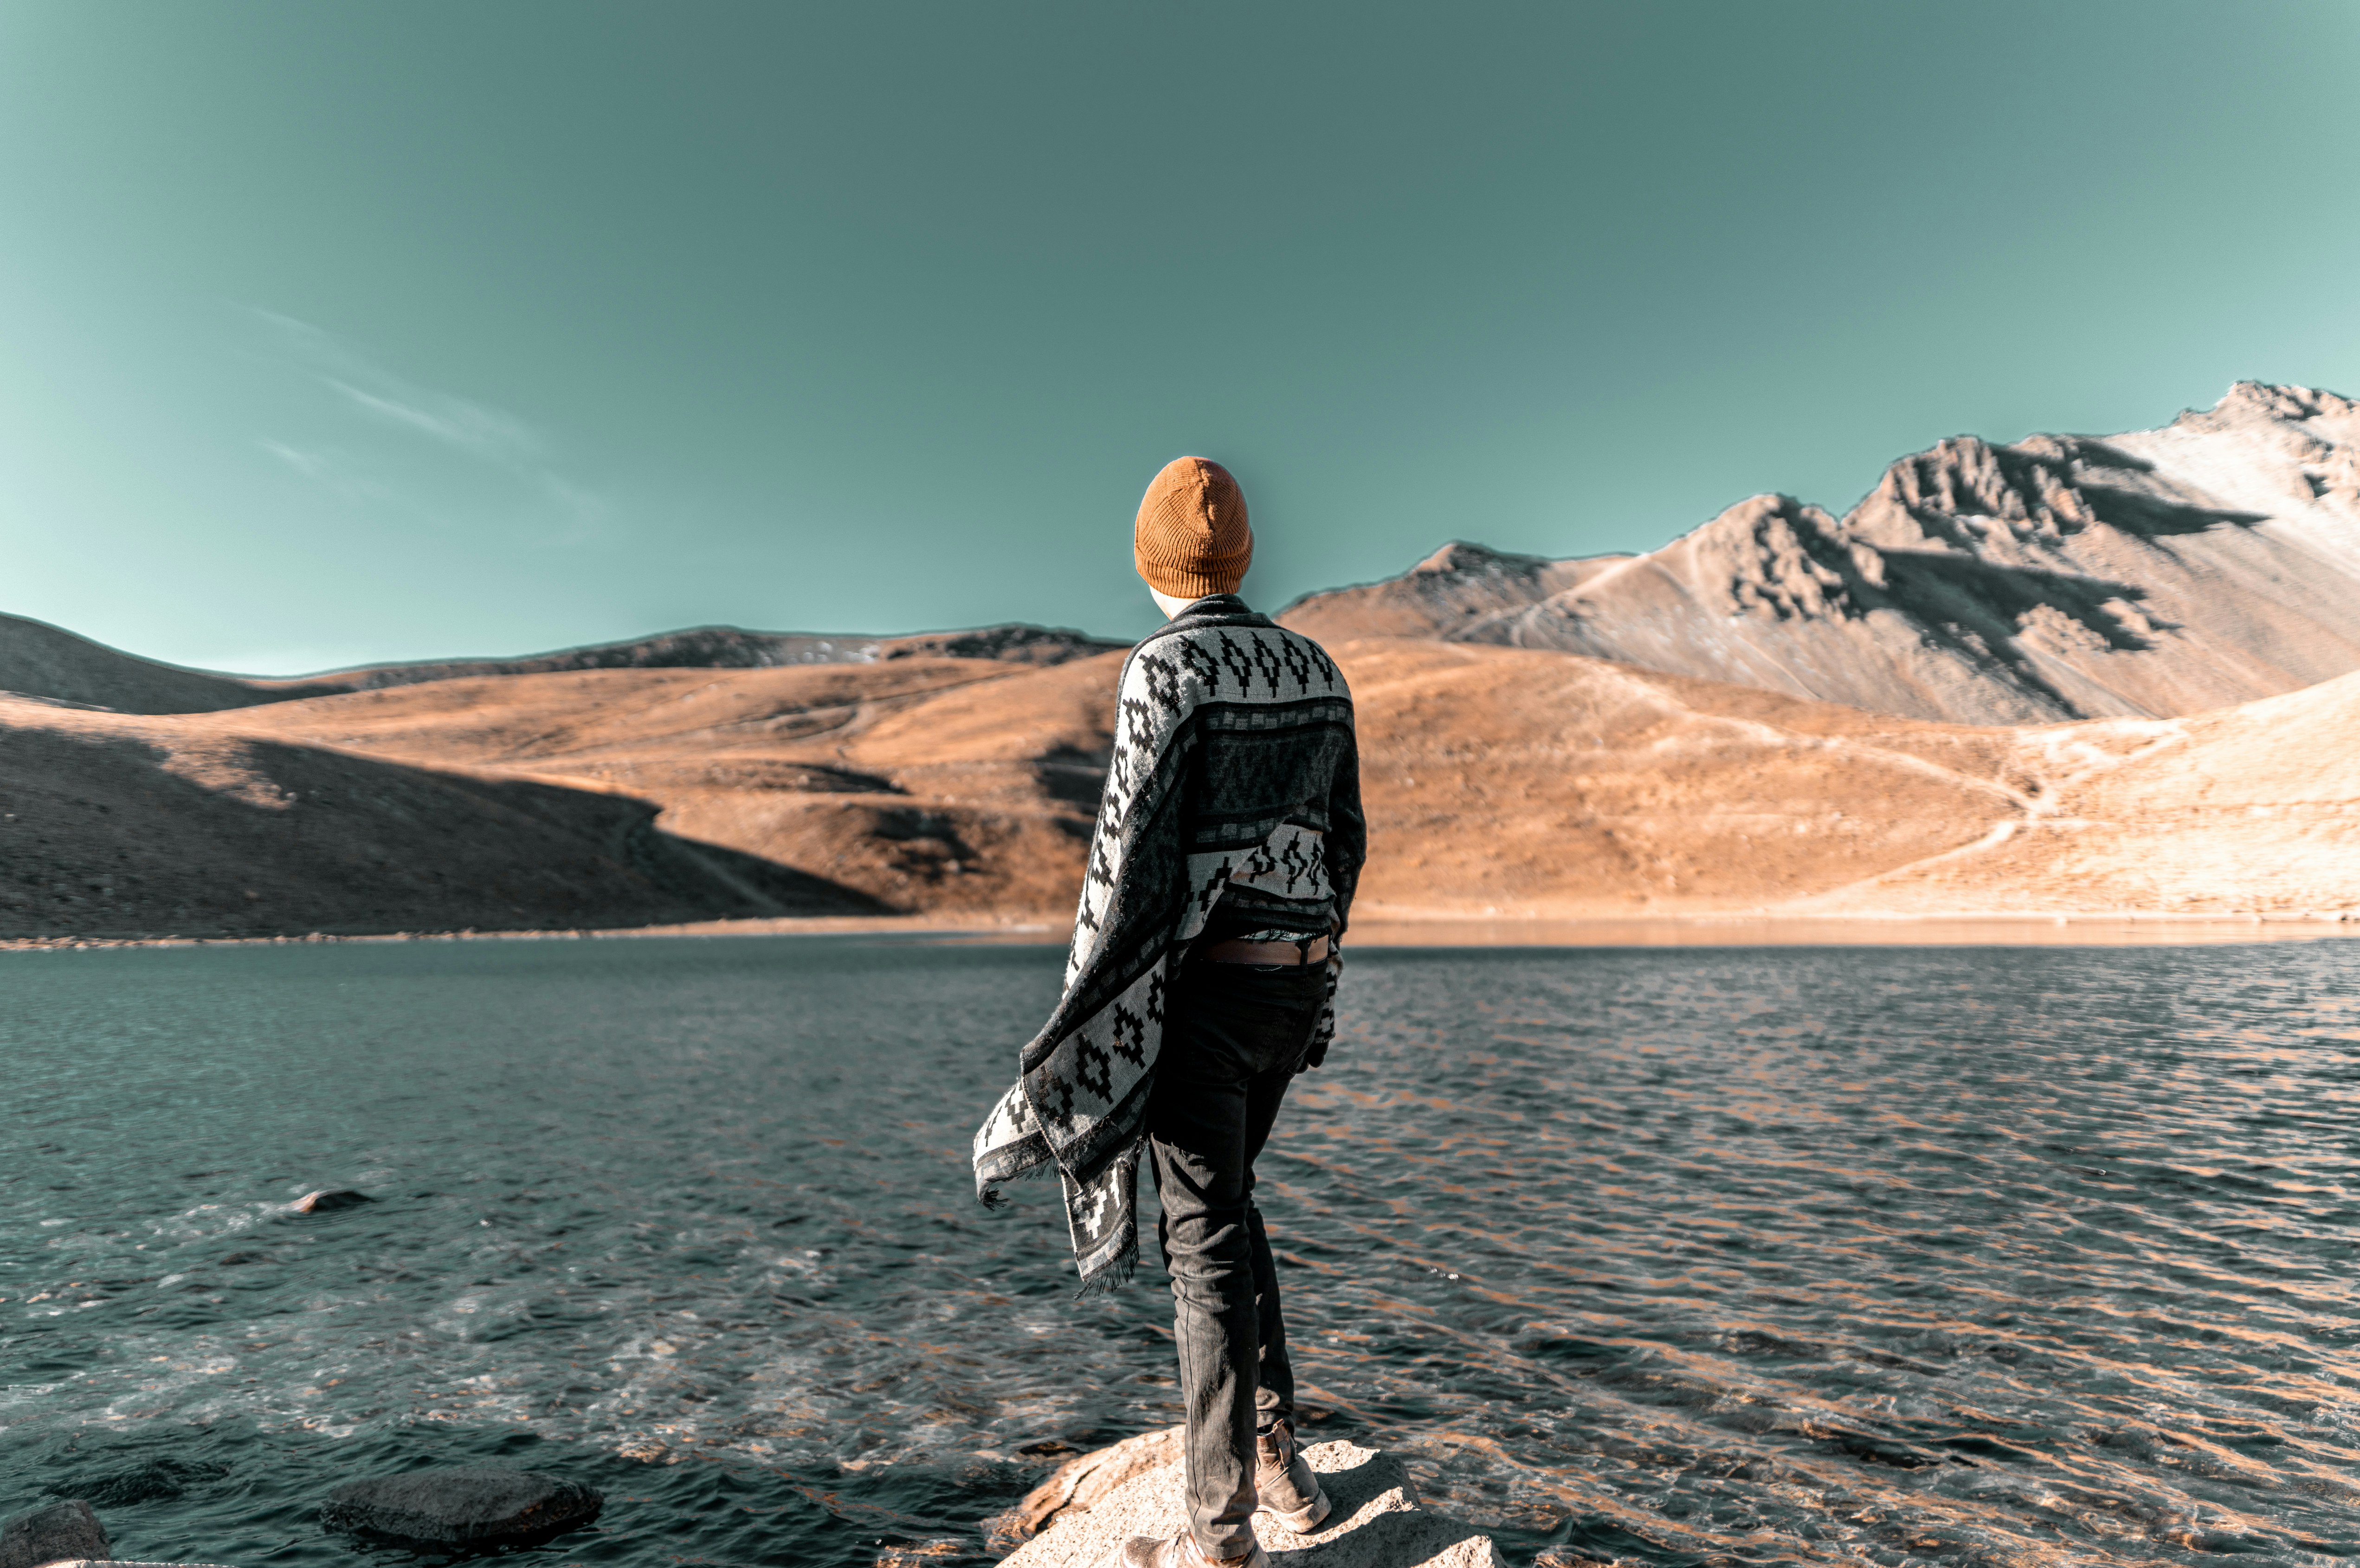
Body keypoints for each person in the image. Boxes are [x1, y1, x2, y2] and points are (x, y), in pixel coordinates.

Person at [973, 456, 1366, 1568]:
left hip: (1200, 997)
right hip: (1288, 986)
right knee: (1230, 1206)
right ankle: (1279, 1460)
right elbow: (1344, 843)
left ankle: (1217, 1534)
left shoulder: (1165, 669)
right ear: (1241, 556)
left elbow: (1128, 857)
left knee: (1202, 1245)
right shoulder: (1317, 667)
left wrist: (1084, 1023)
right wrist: (1314, 972)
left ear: (1150, 564)